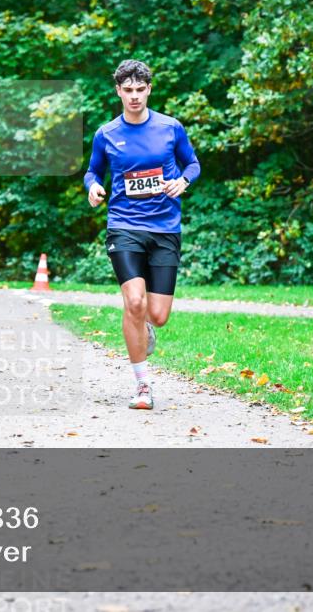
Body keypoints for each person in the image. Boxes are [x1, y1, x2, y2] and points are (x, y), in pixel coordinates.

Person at [84, 59, 201, 410]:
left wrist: (182, 181)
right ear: (118, 91)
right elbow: (93, 172)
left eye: (140, 89)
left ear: (149, 89)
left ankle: (144, 326)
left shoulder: (171, 128)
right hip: (124, 225)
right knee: (134, 302)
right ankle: (143, 385)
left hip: (165, 227)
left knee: (158, 315)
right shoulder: (106, 134)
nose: (134, 97)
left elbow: (192, 164)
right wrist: (93, 188)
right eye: (128, 90)